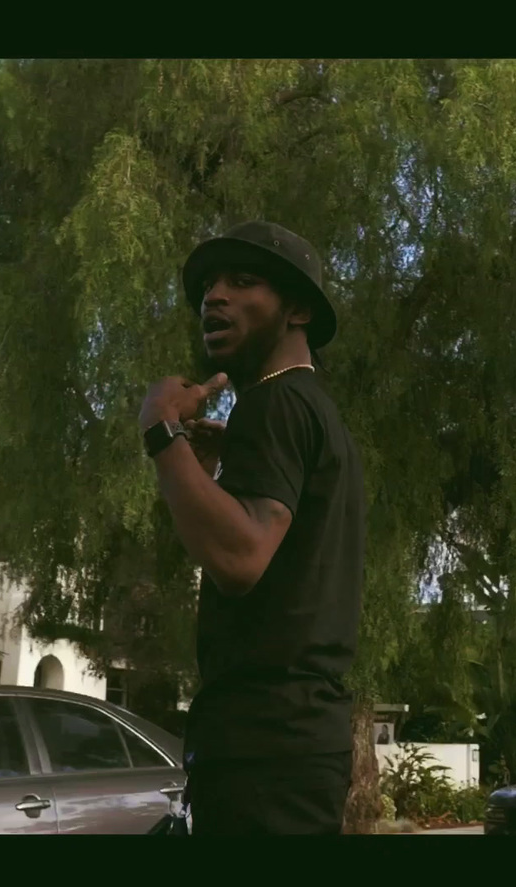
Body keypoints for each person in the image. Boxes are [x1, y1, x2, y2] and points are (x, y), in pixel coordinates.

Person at [137, 221, 366, 835]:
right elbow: (261, 553)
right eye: (211, 285)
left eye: (242, 282)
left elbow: (241, 558)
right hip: (289, 744)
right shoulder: (307, 410)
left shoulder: (275, 402)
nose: (215, 296)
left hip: (266, 746)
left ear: (296, 309)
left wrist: (162, 432)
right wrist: (201, 476)